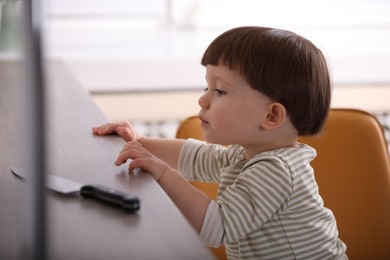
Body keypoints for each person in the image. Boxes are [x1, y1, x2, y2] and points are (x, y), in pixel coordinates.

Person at [92, 26, 348, 259]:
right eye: (207, 86)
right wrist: (140, 142)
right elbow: (195, 156)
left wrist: (161, 172)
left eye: (220, 91)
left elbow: (216, 227)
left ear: (271, 116)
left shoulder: (276, 170)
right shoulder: (247, 154)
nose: (203, 100)